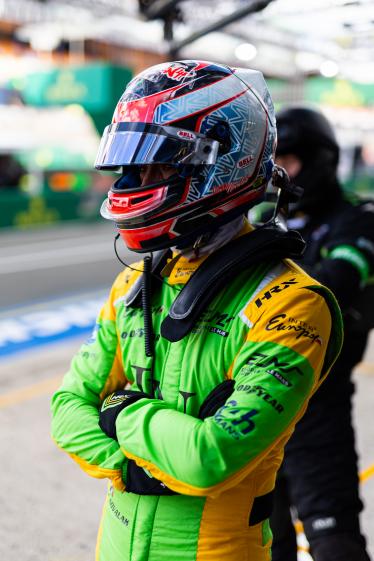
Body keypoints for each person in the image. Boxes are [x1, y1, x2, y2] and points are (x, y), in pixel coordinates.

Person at [51, 61, 343, 561]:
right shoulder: (133, 285)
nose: (136, 180)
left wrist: (120, 410)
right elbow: (64, 412)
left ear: (221, 163)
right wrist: (141, 464)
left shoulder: (293, 304)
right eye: (131, 166)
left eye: (158, 164)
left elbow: (209, 458)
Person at [269, 106, 374, 561]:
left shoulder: (359, 218)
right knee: (266, 546)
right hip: (259, 405)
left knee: (335, 543)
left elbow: (336, 281)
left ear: (319, 159)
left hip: (320, 405)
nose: (282, 174)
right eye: (276, 165)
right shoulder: (262, 221)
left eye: (289, 162)